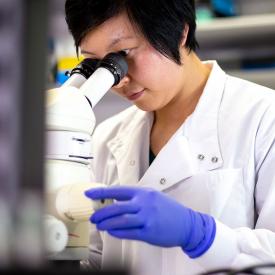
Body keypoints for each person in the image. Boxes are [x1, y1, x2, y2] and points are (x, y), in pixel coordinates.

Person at [64, 1, 275, 274]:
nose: (118, 79)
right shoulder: (106, 137)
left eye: (123, 53)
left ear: (179, 31)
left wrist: (201, 235)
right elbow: (98, 257)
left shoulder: (264, 118)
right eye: (98, 61)